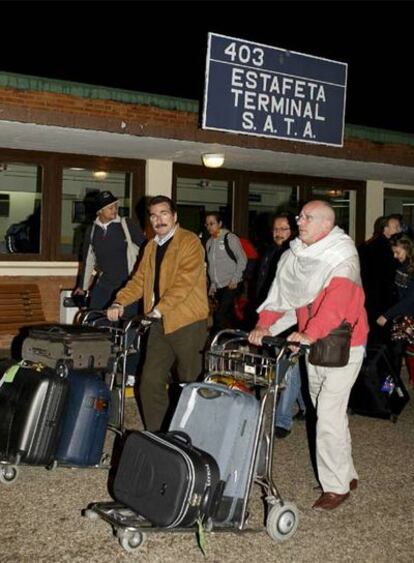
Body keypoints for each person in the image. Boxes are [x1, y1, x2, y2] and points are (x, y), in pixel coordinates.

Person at [249, 200, 368, 511]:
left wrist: (308, 333)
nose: (299, 221)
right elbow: (284, 296)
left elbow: (337, 303)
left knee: (328, 412)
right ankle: (347, 473)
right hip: (311, 344)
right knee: (326, 409)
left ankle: (336, 486)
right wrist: (264, 325)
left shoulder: (342, 255)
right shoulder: (296, 255)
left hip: (346, 344)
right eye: (300, 216)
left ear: (326, 225)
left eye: (307, 218)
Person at [107, 195, 209, 431]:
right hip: (158, 323)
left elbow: (184, 282)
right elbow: (139, 281)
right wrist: (119, 301)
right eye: (153, 215)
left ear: (174, 216)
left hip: (187, 322)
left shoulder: (189, 241)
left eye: (163, 213)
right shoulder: (151, 246)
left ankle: (192, 435)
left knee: (189, 384)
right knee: (150, 383)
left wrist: (158, 310)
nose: (158, 219)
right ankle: (160, 435)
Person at [256, 212, 306, 438]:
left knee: (288, 369)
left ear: (294, 231)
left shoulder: (296, 256)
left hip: (290, 321)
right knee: (290, 370)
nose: (279, 233)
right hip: (272, 319)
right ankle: (307, 408)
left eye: (284, 229)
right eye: (276, 229)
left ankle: (283, 420)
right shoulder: (270, 252)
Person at [74, 190, 145, 315]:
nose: (115, 210)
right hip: (104, 284)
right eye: (110, 207)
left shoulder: (126, 225)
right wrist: (82, 287)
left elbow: (148, 249)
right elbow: (88, 261)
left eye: (116, 206)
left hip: (127, 284)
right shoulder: (92, 231)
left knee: (126, 325)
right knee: (94, 318)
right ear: (99, 211)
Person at [376, 233, 414, 383]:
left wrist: (387, 315)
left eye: (397, 252)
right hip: (403, 316)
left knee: (396, 352)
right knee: (395, 353)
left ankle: (391, 387)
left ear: (407, 248)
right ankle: (391, 387)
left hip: (408, 316)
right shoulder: (402, 266)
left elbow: (411, 298)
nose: (395, 255)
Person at [359, 214, 401, 345]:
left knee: (374, 339)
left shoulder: (367, 246)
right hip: (384, 302)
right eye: (396, 227)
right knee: (386, 341)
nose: (399, 230)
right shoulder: (388, 250)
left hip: (370, 301)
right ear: (385, 229)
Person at [205, 212, 247, 335]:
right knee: (231, 316)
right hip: (219, 286)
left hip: (232, 284)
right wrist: (212, 284)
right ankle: (243, 339)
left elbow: (242, 259)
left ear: (220, 224)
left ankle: (214, 345)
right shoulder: (209, 243)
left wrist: (235, 279)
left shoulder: (230, 238)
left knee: (219, 316)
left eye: (212, 223)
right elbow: (212, 266)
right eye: (207, 224)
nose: (209, 227)